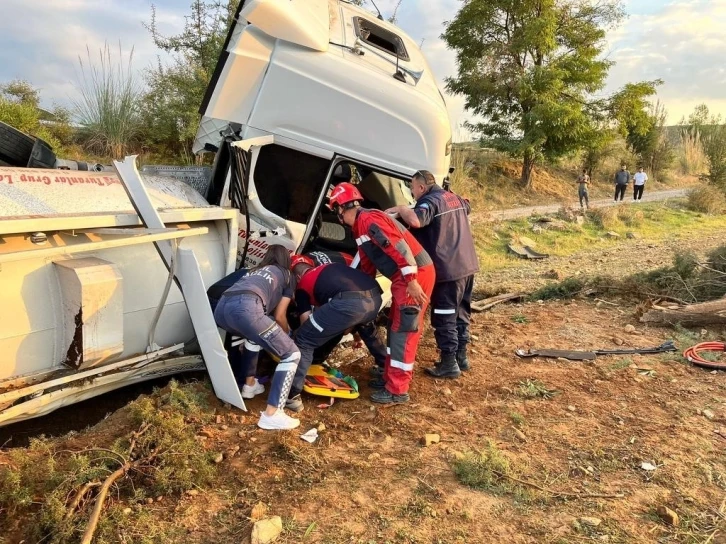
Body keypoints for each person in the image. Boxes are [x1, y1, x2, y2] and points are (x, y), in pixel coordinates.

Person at [328, 182, 435, 404]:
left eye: (336, 210)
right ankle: (390, 377)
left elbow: (400, 250)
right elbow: (367, 264)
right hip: (405, 277)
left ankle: (397, 389)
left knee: (403, 331)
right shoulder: (360, 226)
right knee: (396, 326)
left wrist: (412, 281)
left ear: (340, 208)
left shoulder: (369, 220)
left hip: (413, 276)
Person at [386, 170, 479, 379]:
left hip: (448, 271)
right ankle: (461, 357)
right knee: (461, 313)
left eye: (412, 189)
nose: (412, 193)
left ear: (421, 187)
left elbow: (417, 221)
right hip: (468, 266)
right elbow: (468, 206)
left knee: (444, 317)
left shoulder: (429, 202)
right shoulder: (452, 197)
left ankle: (449, 363)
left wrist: (402, 209)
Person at [213, 245, 301, 430]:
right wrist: (287, 337)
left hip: (221, 310)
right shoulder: (287, 274)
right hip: (247, 308)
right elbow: (280, 316)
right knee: (292, 354)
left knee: (254, 338)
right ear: (287, 260)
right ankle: (273, 414)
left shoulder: (253, 270)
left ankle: (249, 385)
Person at [285, 255, 387, 412]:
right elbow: (342, 323)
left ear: (297, 276)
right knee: (367, 330)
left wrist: (291, 338)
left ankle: (291, 395)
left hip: (349, 303)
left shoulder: (302, 285)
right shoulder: (328, 267)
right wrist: (357, 336)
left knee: (304, 339)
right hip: (374, 296)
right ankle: (388, 370)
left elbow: (306, 322)